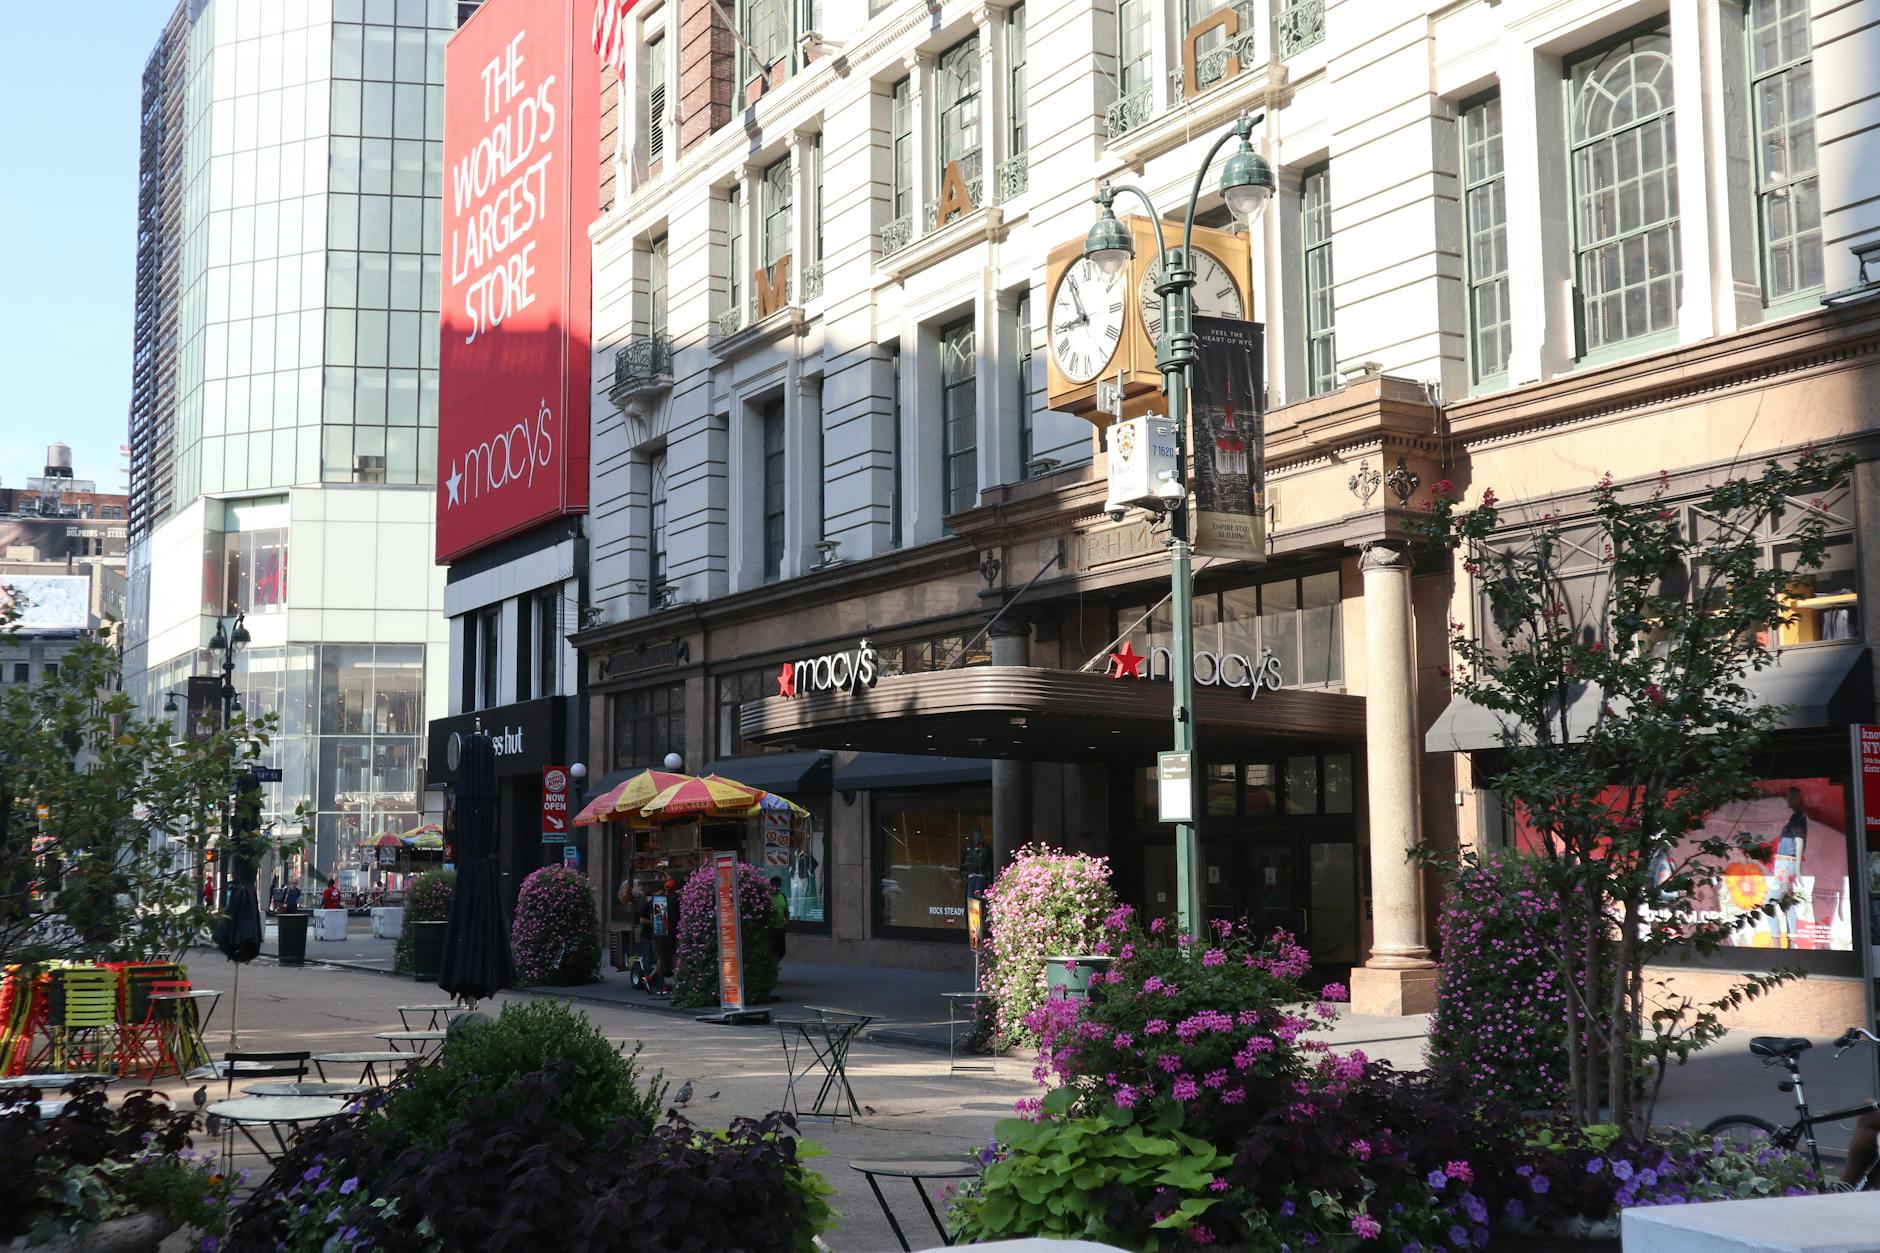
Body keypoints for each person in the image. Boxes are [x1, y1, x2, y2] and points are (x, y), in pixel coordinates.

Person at [1768, 787, 1807, 947]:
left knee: (1768, 904)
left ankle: (1776, 942)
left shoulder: (1799, 817)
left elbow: (1799, 841)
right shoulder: (1795, 817)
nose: (1788, 798)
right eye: (1787, 795)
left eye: (1791, 796)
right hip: (1785, 863)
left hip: (1787, 863)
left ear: (1798, 797)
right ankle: (1792, 942)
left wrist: (1797, 869)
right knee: (1787, 903)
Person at [768, 875, 790, 968]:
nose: (775, 888)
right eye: (773, 886)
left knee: (782, 951)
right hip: (770, 928)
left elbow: (786, 911)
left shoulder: (783, 896)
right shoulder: (767, 896)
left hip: (780, 927)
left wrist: (787, 920)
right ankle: (771, 969)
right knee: (771, 950)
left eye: (778, 886)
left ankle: (773, 966)